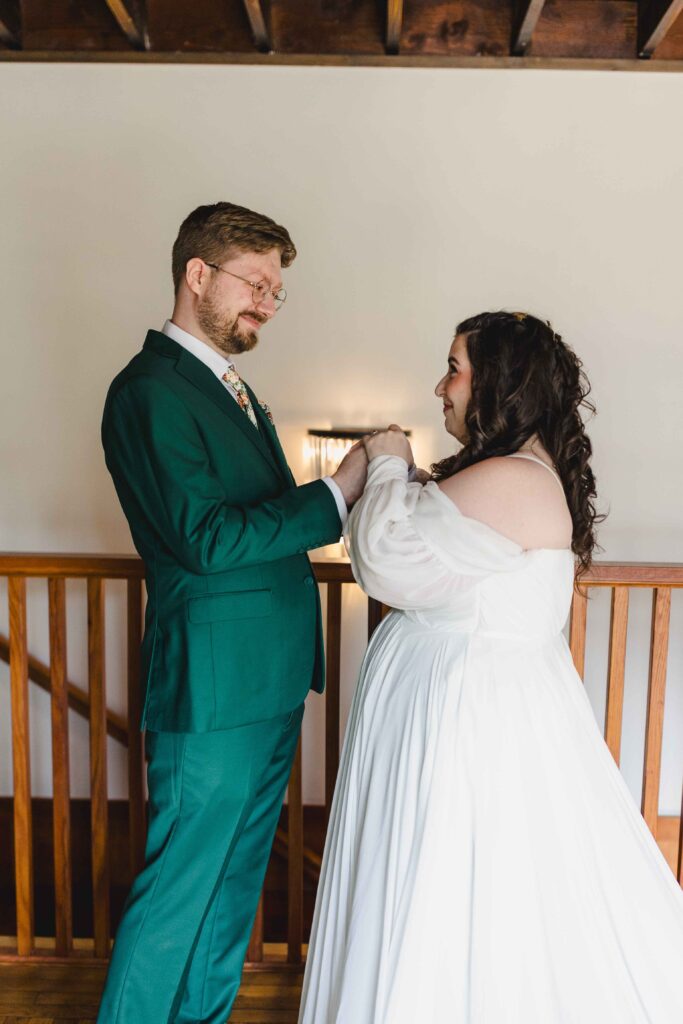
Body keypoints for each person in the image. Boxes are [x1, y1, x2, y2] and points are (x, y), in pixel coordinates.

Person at [299, 311, 683, 1023]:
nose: (440, 386)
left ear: (498, 382)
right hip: (460, 715)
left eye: (454, 368)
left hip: (464, 731)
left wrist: (385, 456)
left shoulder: (513, 475)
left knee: (451, 893)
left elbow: (384, 559)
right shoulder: (505, 475)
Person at [96, 202, 367, 1024]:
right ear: (197, 275)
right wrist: (336, 493)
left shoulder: (228, 384)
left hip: (271, 679)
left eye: (276, 292)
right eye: (255, 284)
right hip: (214, 689)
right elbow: (205, 538)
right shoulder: (148, 391)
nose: (266, 305)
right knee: (179, 892)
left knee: (231, 890)